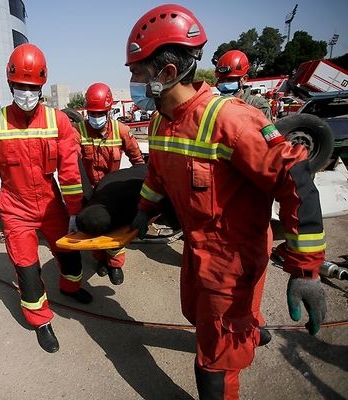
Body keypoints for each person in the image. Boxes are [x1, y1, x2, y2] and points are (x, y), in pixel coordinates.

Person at [126, 5, 327, 399]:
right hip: (196, 251)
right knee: (199, 320)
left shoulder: (232, 120)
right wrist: (140, 215)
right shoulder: (160, 120)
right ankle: (248, 328)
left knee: (214, 356)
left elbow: (295, 180)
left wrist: (306, 271)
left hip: (232, 261)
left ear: (166, 74)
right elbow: (157, 177)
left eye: (137, 72)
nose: (132, 80)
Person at [0, 43, 91, 353]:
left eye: (33, 87)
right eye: (21, 86)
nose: (26, 92)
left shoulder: (57, 121)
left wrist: (75, 210)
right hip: (15, 207)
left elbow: (69, 170)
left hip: (51, 203)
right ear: (10, 84)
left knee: (69, 254)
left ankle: (71, 286)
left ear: (41, 86)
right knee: (26, 268)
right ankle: (41, 321)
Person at [76, 82, 144, 285]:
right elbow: (72, 163)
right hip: (89, 189)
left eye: (100, 113)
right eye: (92, 114)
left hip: (113, 191)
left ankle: (115, 264)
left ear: (109, 111)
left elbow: (137, 161)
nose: (96, 118)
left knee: (115, 232)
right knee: (94, 230)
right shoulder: (78, 131)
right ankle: (100, 260)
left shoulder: (121, 130)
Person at [214, 50, 272, 119]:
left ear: (244, 79)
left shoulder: (258, 106)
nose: (225, 84)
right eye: (221, 79)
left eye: (230, 79)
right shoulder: (215, 105)